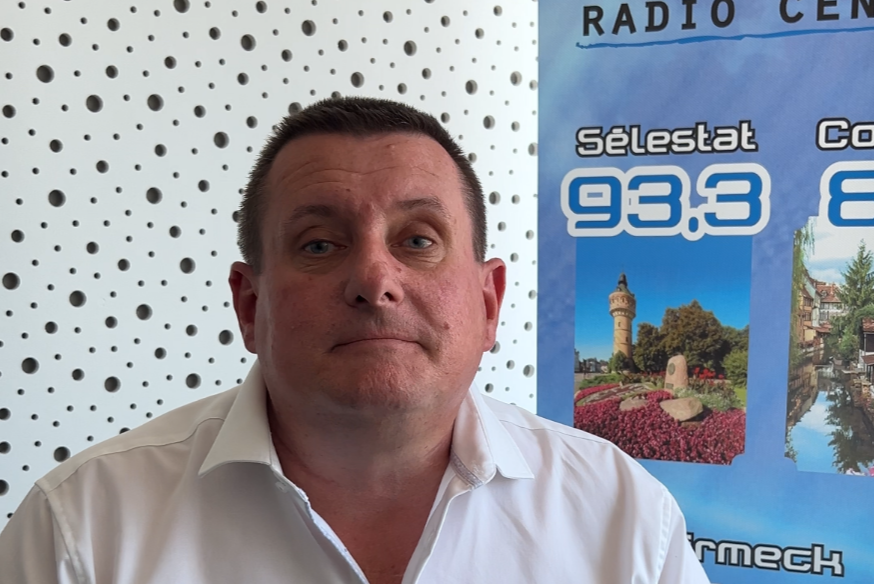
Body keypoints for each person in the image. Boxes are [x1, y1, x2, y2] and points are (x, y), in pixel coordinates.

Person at [0, 97, 710, 584]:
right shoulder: (81, 532)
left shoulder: (624, 519)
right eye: (318, 244)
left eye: (418, 240)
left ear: (488, 302)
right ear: (250, 305)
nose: (374, 279)